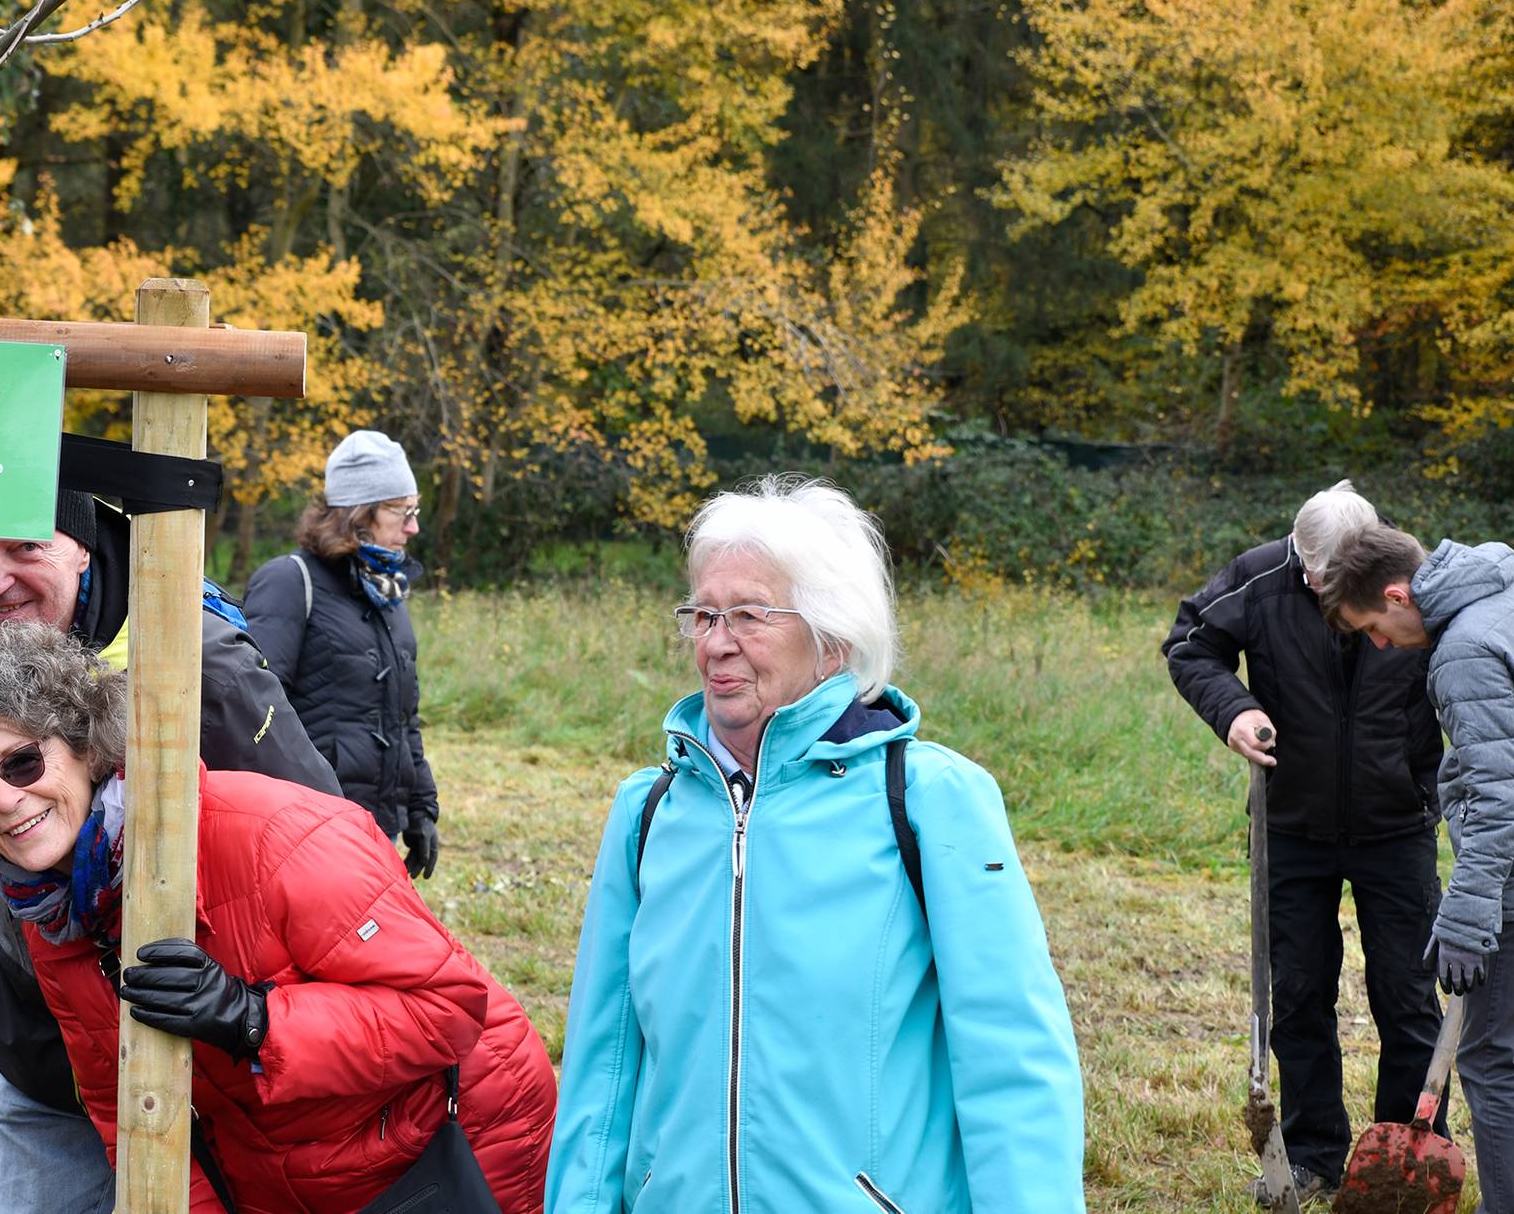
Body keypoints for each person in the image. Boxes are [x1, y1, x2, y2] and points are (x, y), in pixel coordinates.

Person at [547, 476, 1083, 1213]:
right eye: (702, 614)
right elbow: (603, 1069)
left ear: (833, 639)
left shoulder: (929, 799)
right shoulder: (649, 810)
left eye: (749, 614)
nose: (716, 643)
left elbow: (1012, 1066)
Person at [0, 621, 556, 1212]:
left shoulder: (278, 836)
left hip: (454, 1153)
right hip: (292, 1178)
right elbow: (125, 1113)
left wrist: (255, 1021)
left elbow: (448, 1010)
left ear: (87, 748)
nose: (5, 800)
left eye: (23, 762)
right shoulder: (52, 915)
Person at [0, 491, 343, 1214]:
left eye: (26, 547)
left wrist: (248, 1013)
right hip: (43, 1061)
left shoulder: (196, 661)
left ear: (84, 549)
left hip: (196, 1065)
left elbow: (326, 851)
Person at [1161, 481, 1443, 1197]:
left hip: (1397, 824)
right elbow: (1190, 643)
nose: (1325, 594)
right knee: (1300, 992)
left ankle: (1405, 1156)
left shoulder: (1416, 586)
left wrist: (1436, 789)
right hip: (1291, 823)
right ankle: (1316, 1154)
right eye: (1316, 579)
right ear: (1298, 554)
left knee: (1408, 995)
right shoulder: (1259, 578)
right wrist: (1235, 709)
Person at [1320, 525, 1514, 1214]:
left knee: (1492, 1061)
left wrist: (1465, 917)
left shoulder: (1463, 651)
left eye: (1373, 626)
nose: (1379, 644)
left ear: (1399, 594)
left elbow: (1501, 797)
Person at [244, 429, 440, 875]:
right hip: (310, 831)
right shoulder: (289, 582)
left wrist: (419, 809)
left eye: (416, 510)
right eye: (401, 511)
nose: (413, 527)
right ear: (359, 513)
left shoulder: (386, 594)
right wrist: (313, 804)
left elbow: (402, 716)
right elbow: (255, 713)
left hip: (376, 827)